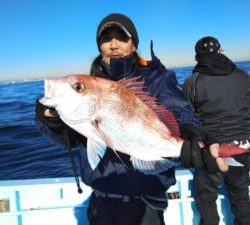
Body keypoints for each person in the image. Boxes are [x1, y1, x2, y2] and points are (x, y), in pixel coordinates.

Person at [36, 14, 222, 225]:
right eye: (106, 39)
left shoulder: (156, 78)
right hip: (100, 202)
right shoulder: (94, 86)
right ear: (99, 47)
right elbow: (71, 141)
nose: (113, 44)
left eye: (121, 38)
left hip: (146, 204)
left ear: (133, 45)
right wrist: (50, 122)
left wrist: (188, 128)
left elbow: (176, 106)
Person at [183, 36, 250, 225]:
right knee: (241, 195)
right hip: (242, 145)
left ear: (197, 57)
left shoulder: (192, 81)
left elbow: (187, 118)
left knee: (206, 197)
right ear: (221, 50)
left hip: (211, 150)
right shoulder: (244, 76)